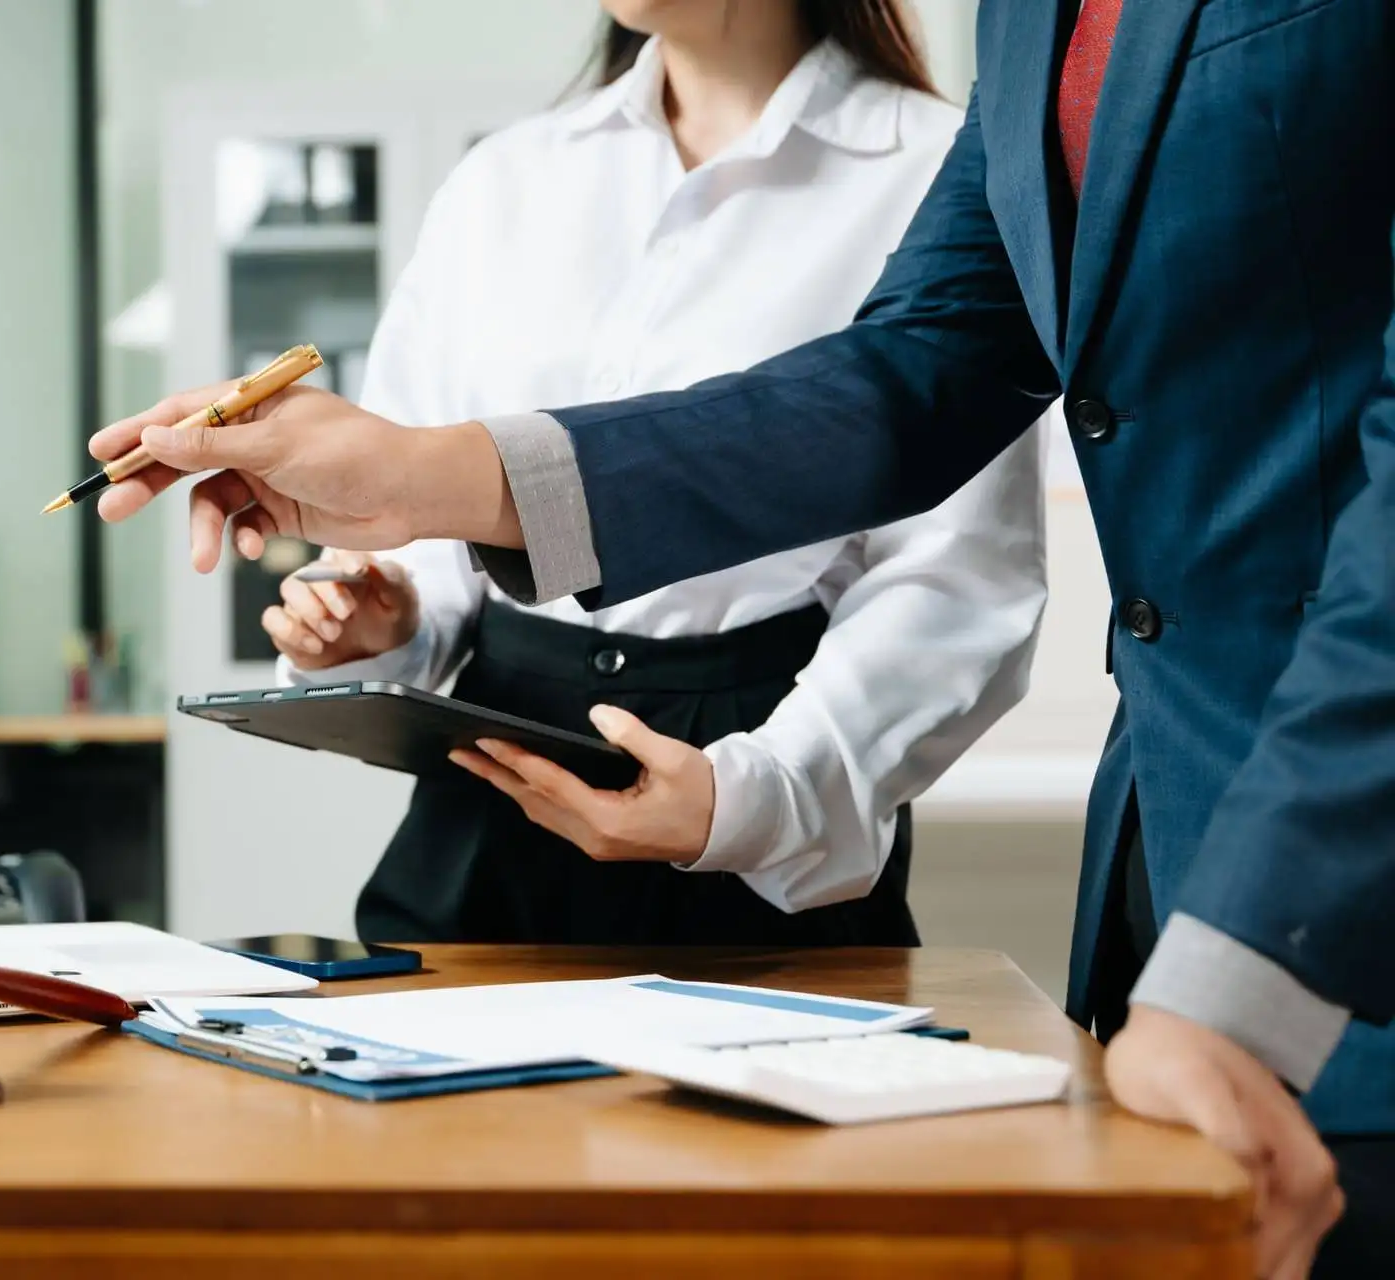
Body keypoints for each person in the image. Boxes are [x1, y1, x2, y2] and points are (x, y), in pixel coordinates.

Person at [90, 2, 1395, 1272]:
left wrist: (758, 795)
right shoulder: (1013, 27)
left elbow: (953, 559)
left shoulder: (914, 139)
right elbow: (905, 380)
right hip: (1149, 887)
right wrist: (422, 488)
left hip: (1290, 872)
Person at [254, 1, 1048, 948]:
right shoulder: (507, 178)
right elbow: (415, 505)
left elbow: (955, 577)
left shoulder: (936, 169)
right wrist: (385, 623)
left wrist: (755, 798)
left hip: (753, 775)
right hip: (490, 794)